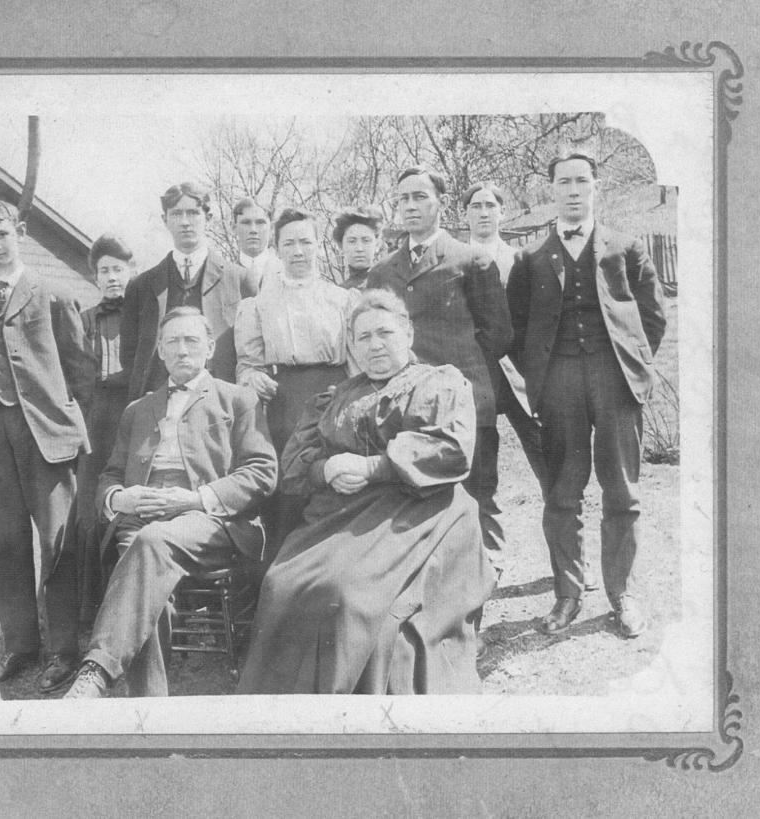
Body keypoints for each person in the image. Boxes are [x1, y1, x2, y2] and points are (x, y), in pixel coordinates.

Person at [237, 289, 495, 695]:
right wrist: (326, 469)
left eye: (385, 333)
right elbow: (295, 464)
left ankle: (349, 707)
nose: (375, 345)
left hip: (419, 511)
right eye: (363, 338)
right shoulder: (336, 396)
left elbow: (450, 450)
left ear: (407, 333)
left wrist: (372, 467)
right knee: (282, 584)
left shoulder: (438, 382)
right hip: (341, 514)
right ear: (352, 346)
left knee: (349, 596)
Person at [63, 307, 277, 698]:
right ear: (159, 351)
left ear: (210, 348)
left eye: (191, 341)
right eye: (172, 342)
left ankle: (97, 668)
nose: (182, 350)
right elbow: (109, 474)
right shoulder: (137, 410)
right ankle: (151, 706)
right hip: (141, 520)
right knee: (145, 574)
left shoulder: (239, 400)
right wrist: (118, 497)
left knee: (148, 546)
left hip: (210, 521)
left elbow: (262, 472)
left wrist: (194, 499)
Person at [506, 153, 666, 637]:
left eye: (581, 181)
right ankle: (567, 594)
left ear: (596, 186)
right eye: (563, 183)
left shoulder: (625, 247)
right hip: (558, 388)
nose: (573, 190)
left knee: (622, 490)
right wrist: (543, 375)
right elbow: (516, 330)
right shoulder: (530, 258)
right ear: (551, 190)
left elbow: (653, 316)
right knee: (562, 492)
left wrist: (627, 362)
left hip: (614, 381)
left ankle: (622, 594)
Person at [0, 198, 94, 691]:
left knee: (57, 544)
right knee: (3, 546)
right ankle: (20, 646)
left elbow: (82, 376)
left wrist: (80, 439)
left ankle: (62, 651)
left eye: (2, 235)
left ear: (19, 233)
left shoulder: (53, 296)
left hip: (47, 437)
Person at [367, 165, 512, 574]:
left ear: (441, 203)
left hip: (466, 402)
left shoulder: (472, 261)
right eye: (404, 199)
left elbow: (497, 335)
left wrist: (456, 378)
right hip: (406, 407)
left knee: (477, 495)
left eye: (420, 197)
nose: (411, 206)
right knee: (418, 497)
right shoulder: (382, 272)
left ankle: (485, 582)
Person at [233, 207, 355, 555]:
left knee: (332, 486)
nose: (298, 251)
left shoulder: (341, 299)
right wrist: (253, 376)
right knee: (287, 493)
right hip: (284, 402)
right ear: (277, 247)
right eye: (289, 243)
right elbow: (247, 363)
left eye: (306, 241)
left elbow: (357, 365)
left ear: (318, 245)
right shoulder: (260, 303)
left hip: (334, 396)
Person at [461, 181, 549, 557]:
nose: (483, 212)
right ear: (464, 215)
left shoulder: (520, 260)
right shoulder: (456, 260)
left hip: (517, 374)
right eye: (475, 206)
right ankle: (483, 558)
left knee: (548, 461)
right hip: (473, 377)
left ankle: (569, 562)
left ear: (502, 212)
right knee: (478, 472)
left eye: (490, 205)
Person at [120, 181, 259, 402]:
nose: (185, 222)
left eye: (193, 213)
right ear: (165, 220)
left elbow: (253, 353)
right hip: (157, 404)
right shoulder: (141, 286)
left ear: (209, 219)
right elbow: (129, 356)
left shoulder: (240, 280)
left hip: (220, 406)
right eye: (176, 214)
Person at [75, 234, 137, 625]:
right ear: (95, 276)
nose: (112, 277)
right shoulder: (84, 319)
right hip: (96, 419)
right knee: (91, 510)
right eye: (104, 270)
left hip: (135, 413)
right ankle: (92, 609)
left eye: (118, 268)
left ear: (130, 270)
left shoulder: (144, 314)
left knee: (131, 504)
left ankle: (131, 603)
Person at [232, 197, 283, 286]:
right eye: (246, 223)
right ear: (234, 228)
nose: (253, 230)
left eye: (260, 223)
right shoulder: (223, 277)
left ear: (271, 228)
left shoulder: (286, 272)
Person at [332, 205, 382, 290]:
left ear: (377, 245)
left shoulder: (391, 285)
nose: (359, 249)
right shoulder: (338, 293)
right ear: (341, 246)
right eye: (352, 241)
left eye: (366, 241)